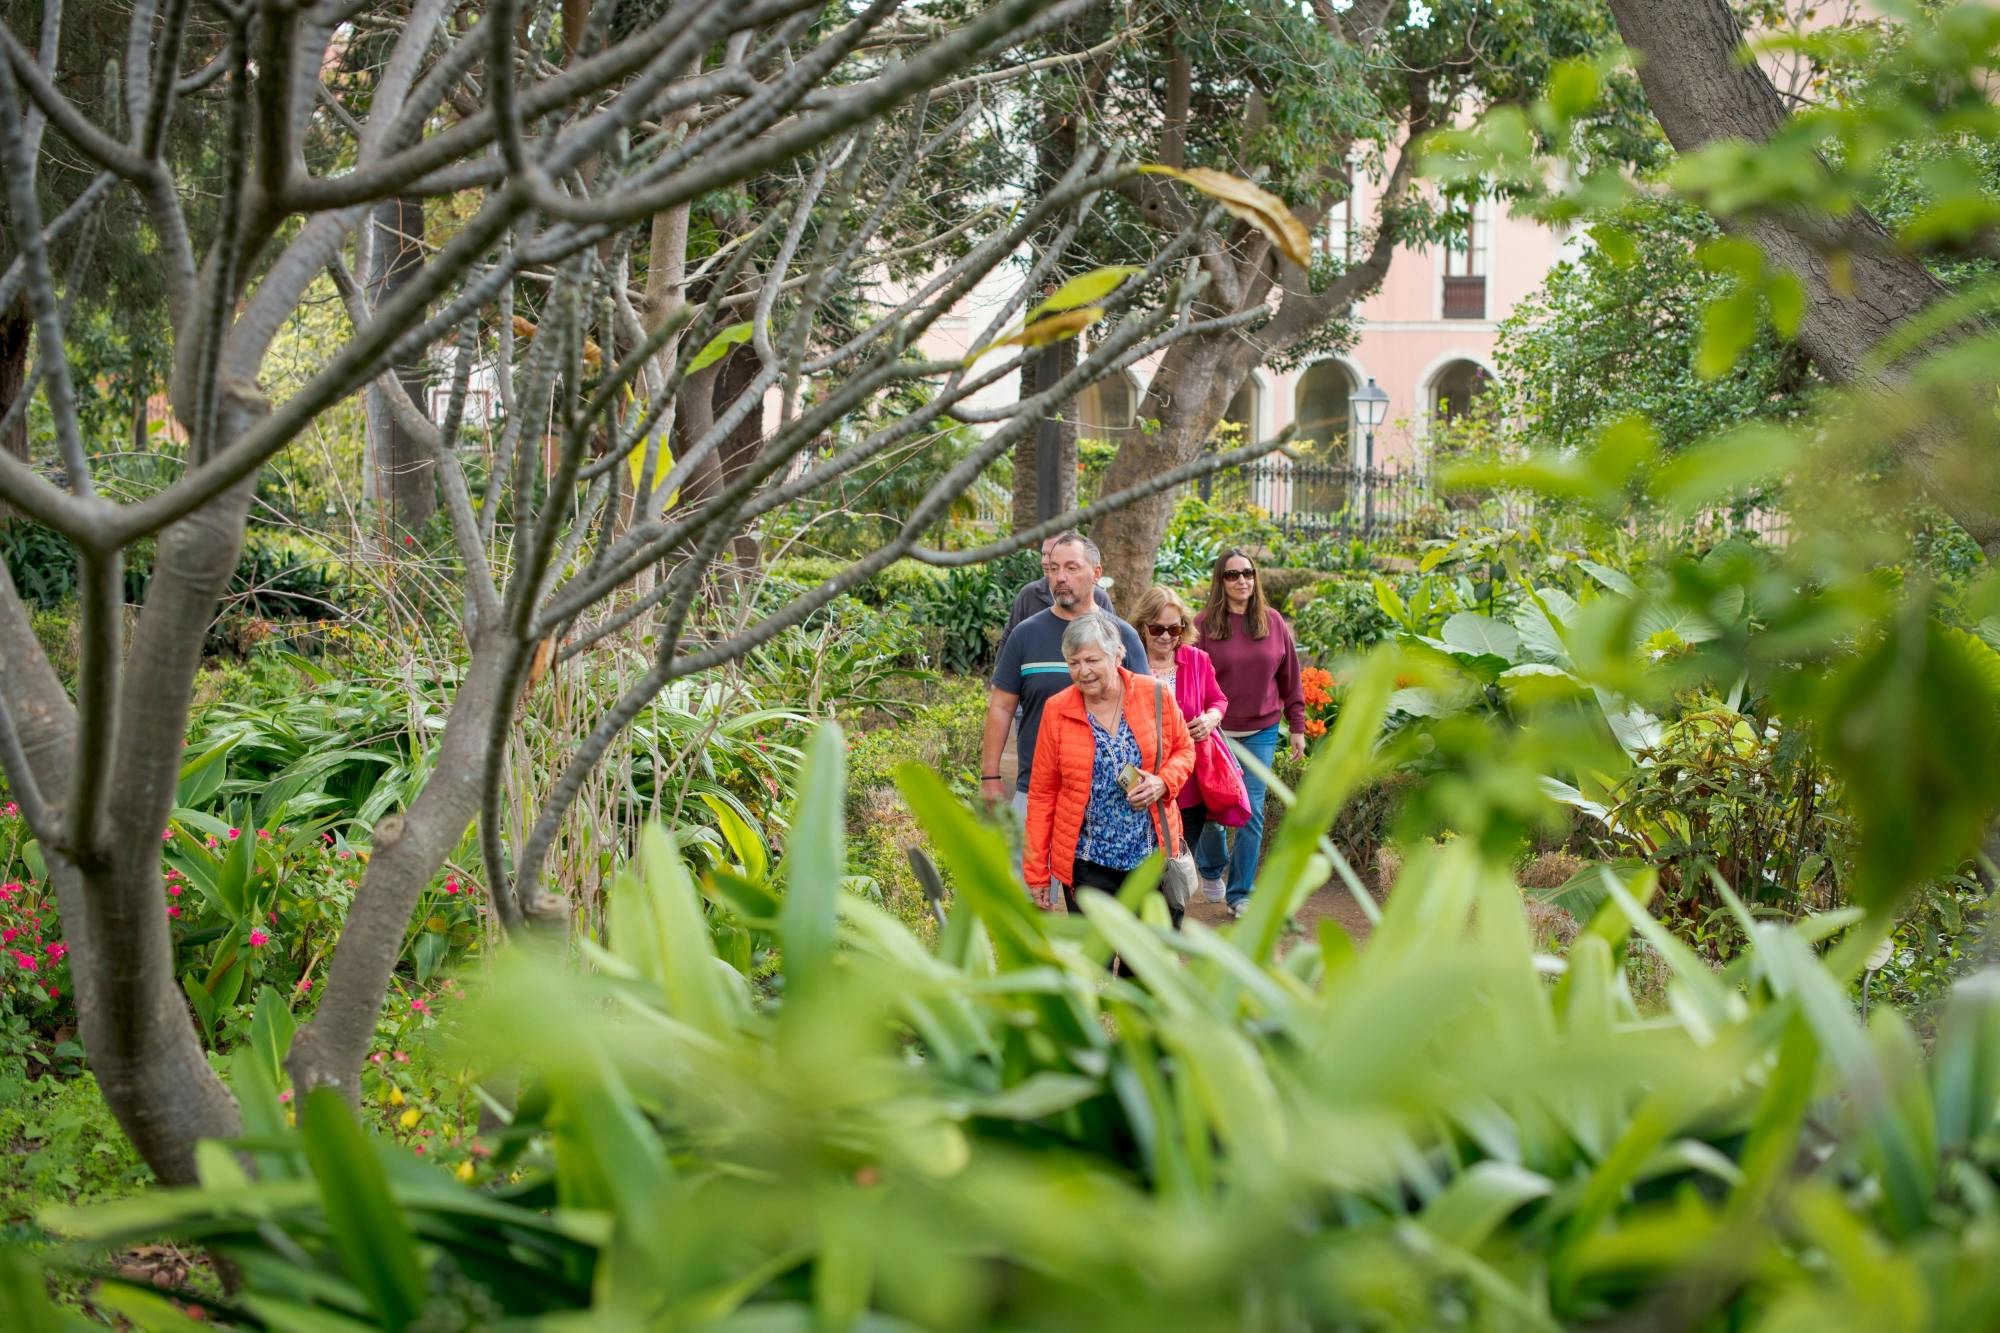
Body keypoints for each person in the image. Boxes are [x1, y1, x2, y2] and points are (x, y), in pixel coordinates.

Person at [1022, 613, 1194, 924]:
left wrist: (1163, 783)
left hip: (1151, 858)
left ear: (1117, 654)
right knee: (1093, 964)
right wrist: (1037, 874)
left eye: (1092, 660)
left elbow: (1184, 749)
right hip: (1087, 864)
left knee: (1143, 963)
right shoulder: (1057, 710)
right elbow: (1042, 794)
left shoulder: (1154, 694)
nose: (1083, 671)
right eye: (1074, 663)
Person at [982, 533, 1148, 818]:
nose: (1060, 577)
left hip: (1111, 796)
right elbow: (1001, 706)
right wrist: (990, 776)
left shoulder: (1123, 636)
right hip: (1036, 791)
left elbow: (1147, 714)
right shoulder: (1025, 635)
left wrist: (1151, 778)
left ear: (1096, 573)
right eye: (1054, 568)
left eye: (1071, 568)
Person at [1193, 549, 1306, 917]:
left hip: (1261, 729)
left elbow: (1291, 679)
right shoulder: (1205, 625)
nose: (1242, 580)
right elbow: (1190, 679)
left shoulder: (1273, 623)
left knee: (1251, 810)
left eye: (1248, 572)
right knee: (1212, 810)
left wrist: (1298, 727)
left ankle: (1241, 893)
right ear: (1220, 581)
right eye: (1232, 574)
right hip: (1216, 732)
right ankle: (1211, 868)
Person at [1133, 584, 1228, 874]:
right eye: (1157, 628)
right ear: (1142, 626)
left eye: (1174, 630)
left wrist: (1212, 718)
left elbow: (1218, 699)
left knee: (1176, 869)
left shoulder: (1197, 660)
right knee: (1142, 871)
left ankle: (1169, 919)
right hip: (1140, 782)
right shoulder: (1128, 662)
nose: (1165, 637)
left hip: (1187, 784)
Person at [999, 533, 1116, 648]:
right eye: (1043, 554)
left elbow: (1113, 640)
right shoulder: (1029, 594)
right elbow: (1008, 639)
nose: (1044, 561)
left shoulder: (1099, 597)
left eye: (1049, 555)